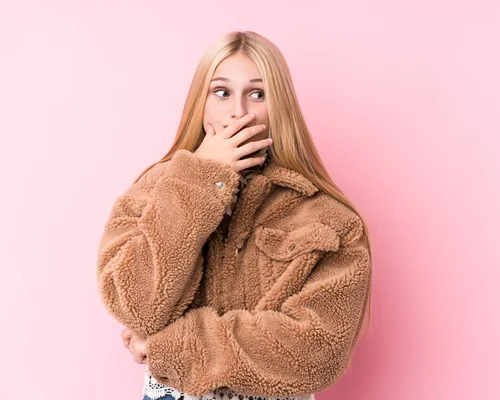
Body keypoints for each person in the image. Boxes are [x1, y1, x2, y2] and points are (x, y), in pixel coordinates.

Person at [96, 30, 373, 400]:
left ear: (280, 106)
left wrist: (172, 344)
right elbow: (135, 306)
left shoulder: (330, 219)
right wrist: (200, 182)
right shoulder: (153, 190)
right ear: (201, 102)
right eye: (221, 92)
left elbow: (319, 352)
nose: (238, 111)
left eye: (257, 94)